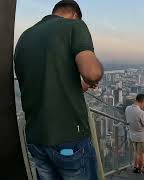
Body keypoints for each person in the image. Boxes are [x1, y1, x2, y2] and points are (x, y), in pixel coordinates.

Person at [14, 1, 103, 179]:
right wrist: (97, 72)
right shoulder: (75, 26)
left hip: (37, 140)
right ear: (75, 15)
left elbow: (49, 85)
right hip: (69, 137)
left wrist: (83, 84)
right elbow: (92, 73)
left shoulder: (24, 37)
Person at [125, 94, 144, 174]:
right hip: (141, 136)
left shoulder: (127, 108)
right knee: (141, 154)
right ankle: (140, 169)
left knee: (136, 152)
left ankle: (135, 166)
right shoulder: (141, 113)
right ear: (142, 102)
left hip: (132, 134)